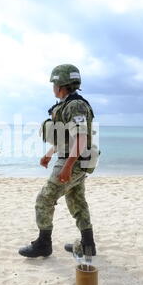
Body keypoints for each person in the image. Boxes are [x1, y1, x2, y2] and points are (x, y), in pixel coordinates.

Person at [19, 64, 97, 258]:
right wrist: (49, 153)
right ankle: (88, 245)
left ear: (60, 85)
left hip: (73, 162)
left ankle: (43, 244)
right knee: (77, 201)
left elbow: (79, 138)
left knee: (44, 199)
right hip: (77, 160)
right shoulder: (68, 104)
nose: (52, 87)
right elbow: (67, 138)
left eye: (54, 83)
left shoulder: (75, 105)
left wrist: (67, 167)